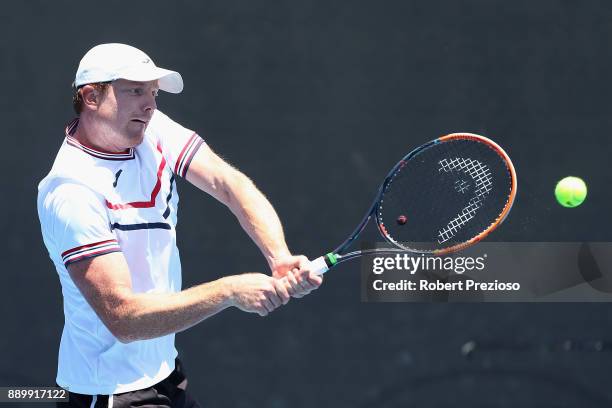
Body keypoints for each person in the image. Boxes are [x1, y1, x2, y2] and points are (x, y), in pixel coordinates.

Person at [37, 43, 322, 408]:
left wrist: (279, 256)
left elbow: (226, 182)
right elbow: (124, 319)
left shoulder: (152, 128)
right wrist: (229, 292)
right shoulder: (71, 192)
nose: (150, 104)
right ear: (91, 97)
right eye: (136, 91)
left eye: (153, 93)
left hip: (165, 373)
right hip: (112, 393)